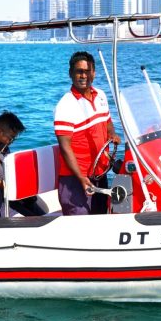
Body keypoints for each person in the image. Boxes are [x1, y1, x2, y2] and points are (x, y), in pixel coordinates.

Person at [54, 51, 121, 215]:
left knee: (100, 219)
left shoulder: (101, 95)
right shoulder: (65, 105)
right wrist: (81, 178)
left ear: (94, 72)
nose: (83, 76)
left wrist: (112, 134)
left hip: (99, 174)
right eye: (79, 71)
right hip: (75, 179)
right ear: (71, 73)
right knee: (80, 228)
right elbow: (65, 147)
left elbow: (107, 121)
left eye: (87, 71)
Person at [0, 111, 44, 216]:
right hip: (2, 200)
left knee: (43, 214)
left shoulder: (4, 148)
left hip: (16, 196)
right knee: (35, 219)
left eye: (14, 138)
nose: (11, 141)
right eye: (10, 138)